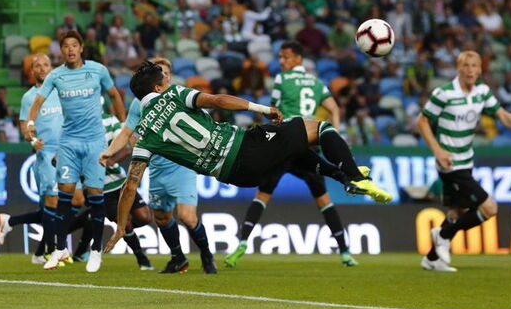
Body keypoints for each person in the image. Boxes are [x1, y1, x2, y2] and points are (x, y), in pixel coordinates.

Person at [101, 62, 391, 256]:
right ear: (158, 89)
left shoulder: (145, 134)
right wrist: (261, 108)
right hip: (243, 146)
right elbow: (217, 101)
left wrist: (120, 228)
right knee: (319, 127)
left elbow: (130, 186)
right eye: (164, 78)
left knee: (294, 152)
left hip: (235, 175)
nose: (168, 78)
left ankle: (343, 177)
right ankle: (356, 177)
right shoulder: (175, 94)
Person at [225, 41, 361, 268]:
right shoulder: (317, 83)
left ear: (298, 58)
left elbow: (274, 111)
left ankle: (241, 244)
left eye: (286, 57)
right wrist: (336, 134)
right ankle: (345, 252)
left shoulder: (282, 79)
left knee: (263, 194)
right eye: (280, 57)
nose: (281, 61)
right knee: (323, 200)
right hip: (308, 142)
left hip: (284, 143)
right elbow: (335, 108)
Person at [416, 51, 511, 272]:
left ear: (480, 69)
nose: (470, 70)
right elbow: (422, 121)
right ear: (458, 68)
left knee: (456, 212)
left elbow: (502, 114)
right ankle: (442, 234)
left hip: (467, 160)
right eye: (466, 65)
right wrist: (437, 150)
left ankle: (432, 259)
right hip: (450, 164)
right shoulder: (444, 93)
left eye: (474, 66)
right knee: (489, 208)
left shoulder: (482, 92)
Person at [102, 57, 213, 273]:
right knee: (161, 217)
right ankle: (178, 258)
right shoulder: (139, 104)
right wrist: (110, 151)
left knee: (187, 217)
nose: (164, 76)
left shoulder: (179, 96)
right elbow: (127, 132)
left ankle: (207, 256)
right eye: (160, 72)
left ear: (168, 77)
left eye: (166, 73)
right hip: (157, 169)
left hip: (182, 166)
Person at [26, 31, 126, 272]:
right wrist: (30, 123)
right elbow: (38, 102)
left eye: (74, 45)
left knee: (94, 195)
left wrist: (124, 126)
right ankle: (60, 248)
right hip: (68, 142)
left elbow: (114, 94)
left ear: (81, 48)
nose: (70, 50)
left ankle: (95, 250)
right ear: (61, 51)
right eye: (65, 46)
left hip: (94, 142)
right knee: (65, 193)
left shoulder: (97, 70)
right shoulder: (56, 75)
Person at [73, 96, 154, 271]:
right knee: (124, 223)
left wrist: (112, 159)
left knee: (145, 217)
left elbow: (126, 145)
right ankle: (143, 260)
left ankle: (91, 218)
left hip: (119, 181)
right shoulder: (78, 126)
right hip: (99, 188)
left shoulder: (109, 120)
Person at [0, 54, 64, 264]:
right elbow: (25, 124)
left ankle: (19, 233)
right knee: (53, 203)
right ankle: (54, 252)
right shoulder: (29, 97)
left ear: (51, 68)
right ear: (32, 71)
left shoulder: (62, 92)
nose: (42, 69)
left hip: (67, 154)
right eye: (37, 66)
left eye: (45, 65)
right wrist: (32, 140)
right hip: (46, 155)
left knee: (54, 208)